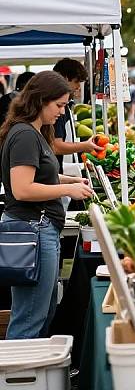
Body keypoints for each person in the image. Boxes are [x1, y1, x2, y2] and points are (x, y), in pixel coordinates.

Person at [0, 71, 93, 339]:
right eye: (59, 105)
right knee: (30, 317)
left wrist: (70, 179)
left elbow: (38, 173)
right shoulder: (26, 135)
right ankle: (16, 377)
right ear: (40, 100)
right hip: (34, 231)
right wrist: (69, 188)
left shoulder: (32, 131)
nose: (62, 113)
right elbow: (22, 188)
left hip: (38, 229)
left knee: (40, 311)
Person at [53, 59, 101, 173]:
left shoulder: (65, 107)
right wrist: (84, 146)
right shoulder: (56, 110)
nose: (79, 87)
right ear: (64, 78)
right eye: (76, 81)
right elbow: (56, 146)